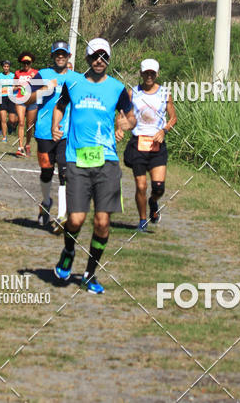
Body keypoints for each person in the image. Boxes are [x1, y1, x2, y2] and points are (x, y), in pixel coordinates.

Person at [52, 38, 135, 295]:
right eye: (95, 56)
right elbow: (60, 106)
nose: (100, 61)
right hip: (77, 159)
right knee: (76, 219)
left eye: (104, 56)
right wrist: (57, 125)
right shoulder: (73, 83)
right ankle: (68, 250)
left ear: (109, 59)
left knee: (102, 222)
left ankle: (89, 272)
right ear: (88, 59)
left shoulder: (117, 88)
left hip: (107, 161)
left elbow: (131, 116)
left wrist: (126, 124)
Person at [119, 58, 177, 231]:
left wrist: (164, 130)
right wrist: (120, 128)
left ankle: (153, 202)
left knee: (158, 187)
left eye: (152, 73)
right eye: (146, 73)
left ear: (157, 74)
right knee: (141, 186)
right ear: (141, 73)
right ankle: (142, 220)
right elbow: (122, 113)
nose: (149, 76)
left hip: (157, 145)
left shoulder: (165, 93)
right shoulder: (132, 93)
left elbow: (173, 117)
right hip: (138, 143)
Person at [28, 41, 74, 232]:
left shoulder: (77, 78)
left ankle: (62, 215)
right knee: (46, 170)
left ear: (69, 56)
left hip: (66, 132)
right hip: (44, 131)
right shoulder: (43, 75)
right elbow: (25, 98)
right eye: (57, 54)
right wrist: (43, 90)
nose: (60, 57)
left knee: (65, 172)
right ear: (53, 56)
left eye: (64, 54)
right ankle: (46, 202)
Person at [13, 52, 38, 157]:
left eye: (28, 62)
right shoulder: (18, 73)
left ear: (31, 63)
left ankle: (27, 144)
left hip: (32, 99)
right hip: (20, 99)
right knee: (21, 122)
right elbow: (13, 88)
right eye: (24, 63)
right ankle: (20, 147)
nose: (26, 65)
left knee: (29, 124)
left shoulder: (36, 73)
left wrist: (34, 80)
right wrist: (17, 86)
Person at [0, 60, 17, 141]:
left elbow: (15, 86)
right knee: (3, 119)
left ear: (9, 67)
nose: (6, 68)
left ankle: (10, 127)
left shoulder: (13, 75)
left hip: (11, 98)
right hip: (1, 98)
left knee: (12, 119)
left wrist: (12, 89)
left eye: (7, 66)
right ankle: (4, 137)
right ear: (2, 67)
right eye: (4, 66)